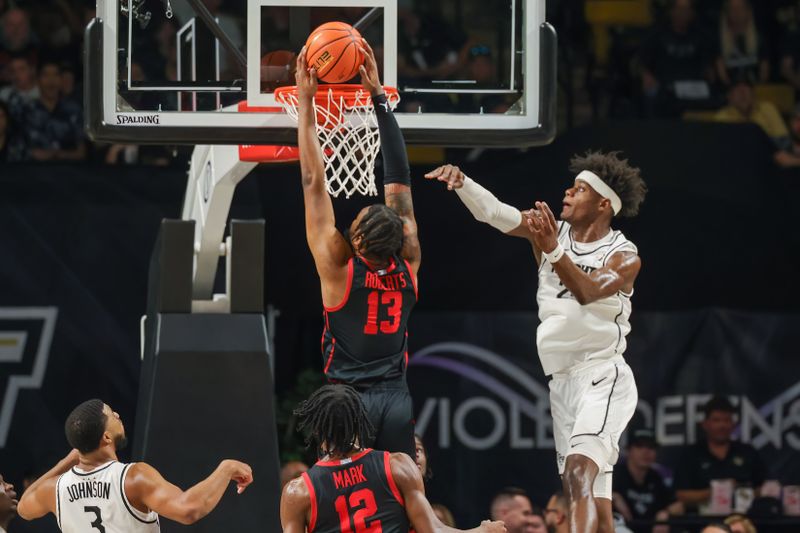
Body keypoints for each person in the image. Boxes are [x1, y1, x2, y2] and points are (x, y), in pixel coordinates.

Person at [425, 151, 647, 533]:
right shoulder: (550, 232)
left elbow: (589, 291)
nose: (568, 192)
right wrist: (463, 183)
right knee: (595, 501)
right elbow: (495, 212)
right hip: (562, 383)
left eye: (580, 190)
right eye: (572, 186)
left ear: (604, 203)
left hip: (602, 375)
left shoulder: (623, 255)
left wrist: (552, 250)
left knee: (579, 474)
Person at [294, 39, 421, 458]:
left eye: (357, 223)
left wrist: (306, 105)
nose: (352, 222)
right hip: (396, 398)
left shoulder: (338, 266)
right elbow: (398, 173)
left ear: (360, 241)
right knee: (403, 490)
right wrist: (379, 97)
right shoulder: (409, 260)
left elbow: (314, 182)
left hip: (348, 403)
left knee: (343, 500)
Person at [280, 384, 506, 533]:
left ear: (318, 430)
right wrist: (482, 530)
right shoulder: (397, 465)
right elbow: (433, 531)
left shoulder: (298, 492)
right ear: (361, 422)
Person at [16, 399, 253, 531]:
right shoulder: (133, 477)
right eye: (111, 415)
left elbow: (23, 507)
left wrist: (64, 462)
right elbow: (189, 510)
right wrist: (226, 468)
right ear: (106, 438)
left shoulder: (55, 489)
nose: (117, 414)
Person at [674, 396, 766, 511]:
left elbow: (763, 488)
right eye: (716, 420)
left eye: (726, 420)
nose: (722, 426)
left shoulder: (747, 452)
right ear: (705, 424)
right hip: (701, 520)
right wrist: (718, 491)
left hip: (743, 519)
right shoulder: (691, 454)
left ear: (733, 424)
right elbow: (681, 494)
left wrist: (742, 492)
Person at [638, 0, 716, 117]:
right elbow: (642, 60)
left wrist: (710, 71)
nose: (682, 14)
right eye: (679, 9)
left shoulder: (700, 34)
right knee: (651, 94)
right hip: (664, 86)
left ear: (692, 13)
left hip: (692, 86)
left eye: (686, 10)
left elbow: (707, 64)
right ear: (671, 11)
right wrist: (646, 75)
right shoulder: (658, 33)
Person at [611, 429, 682, 533]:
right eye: (639, 446)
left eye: (651, 447)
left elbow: (678, 505)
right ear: (629, 450)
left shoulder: (655, 477)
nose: (646, 452)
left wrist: (665, 513)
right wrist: (613, 497)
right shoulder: (616, 473)